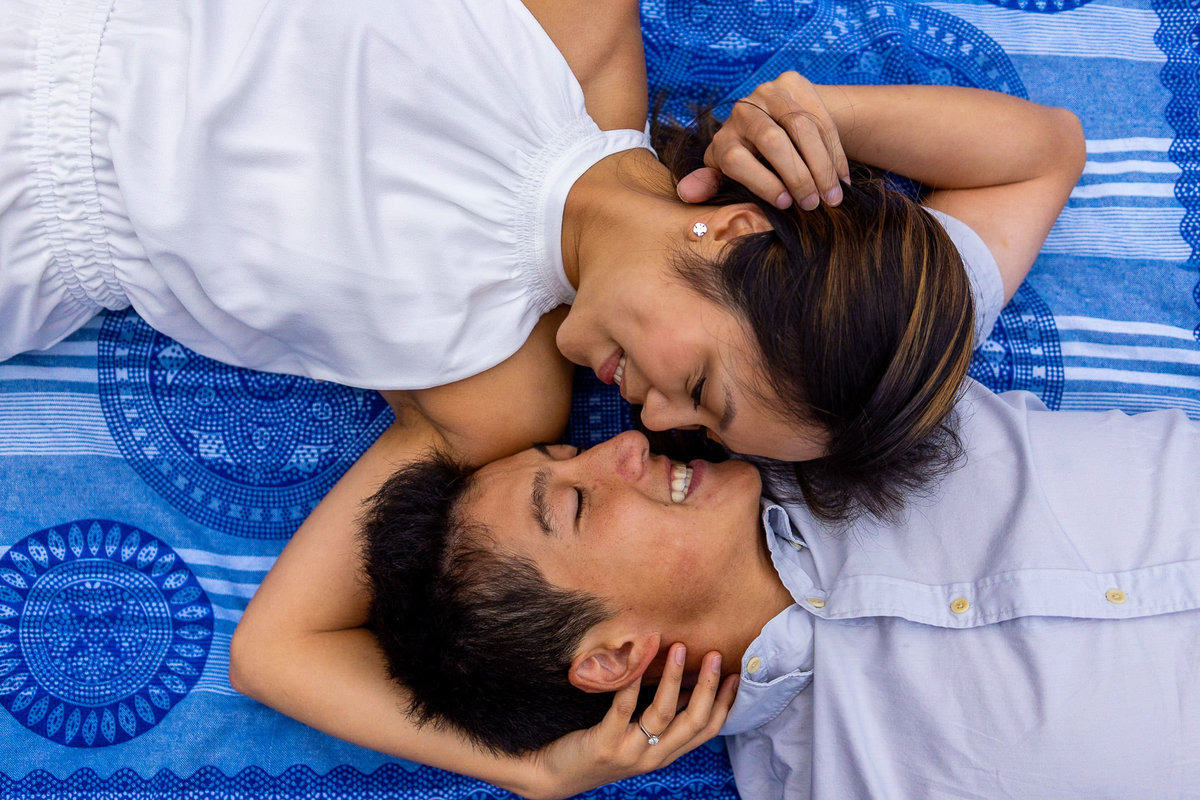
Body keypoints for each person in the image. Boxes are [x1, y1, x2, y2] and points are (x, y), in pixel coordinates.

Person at [1, 0, 1083, 519]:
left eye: (700, 431)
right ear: (738, 232)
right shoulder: (576, 29)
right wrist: (809, 113)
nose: (657, 420)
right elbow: (1043, 154)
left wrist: (554, 769)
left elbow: (281, 647)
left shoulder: (499, 397)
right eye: (702, 388)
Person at [360, 381, 1200, 798]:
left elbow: (1032, 161)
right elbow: (271, 657)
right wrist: (546, 773)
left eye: (564, 453)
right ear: (613, 654)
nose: (617, 446)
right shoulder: (828, 781)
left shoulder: (815, 408)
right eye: (575, 502)